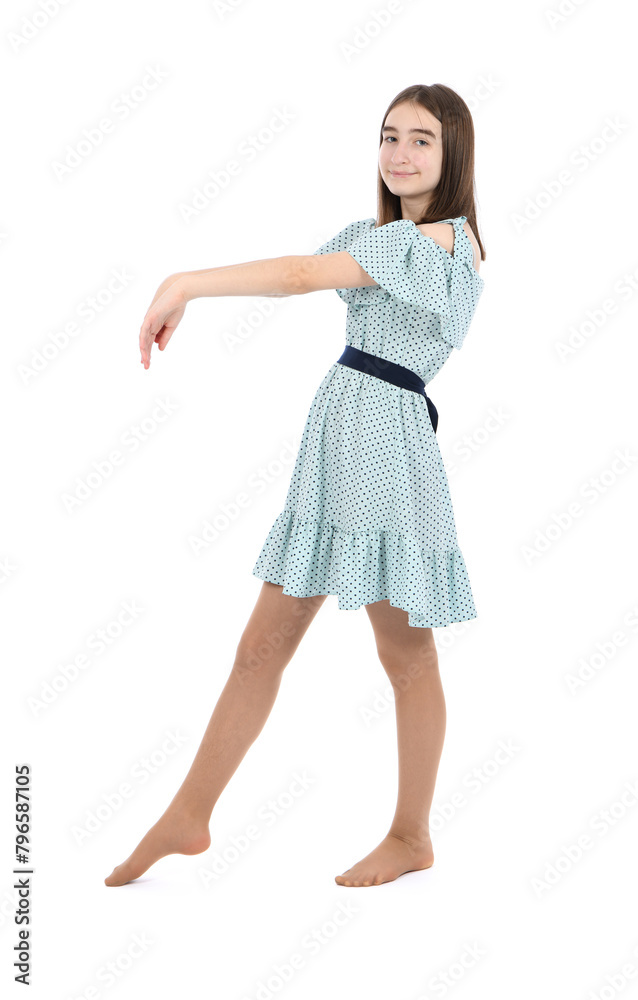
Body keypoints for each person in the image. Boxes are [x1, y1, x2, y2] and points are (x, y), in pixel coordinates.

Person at [104, 82, 486, 889]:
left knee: (406, 654)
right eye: (388, 136)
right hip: (341, 448)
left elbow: (296, 275)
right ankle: (188, 815)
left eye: (421, 139)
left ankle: (411, 834)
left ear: (454, 155)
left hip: (385, 452)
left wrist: (183, 281)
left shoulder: (437, 246)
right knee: (262, 646)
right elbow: (316, 268)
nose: (399, 152)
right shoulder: (389, 237)